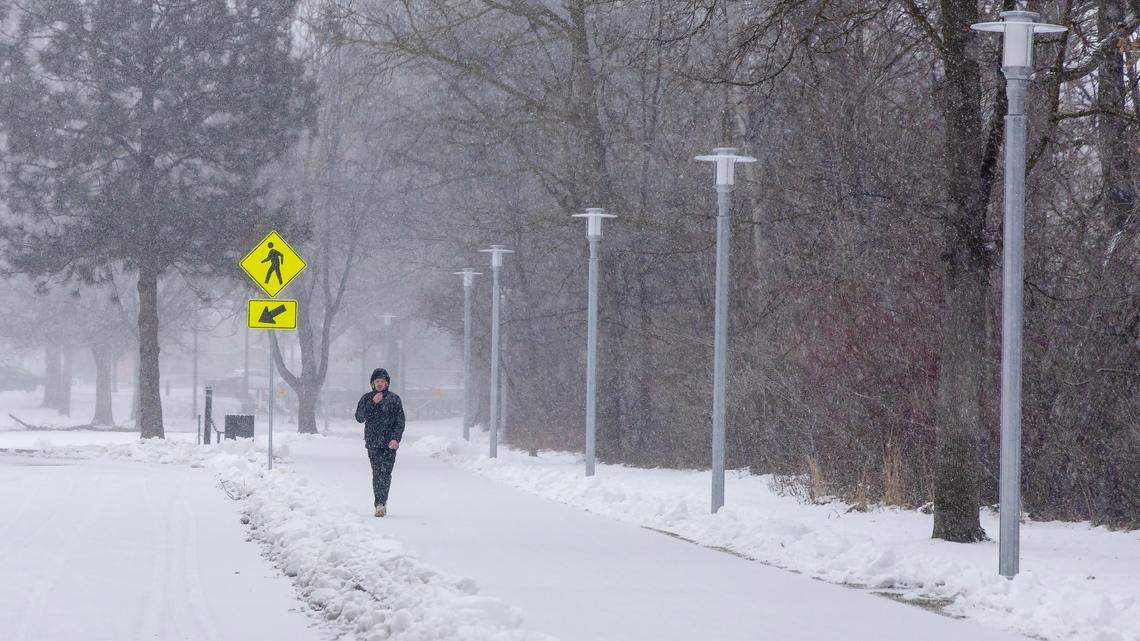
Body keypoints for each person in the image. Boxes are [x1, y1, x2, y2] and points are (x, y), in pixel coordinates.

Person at [355, 368, 405, 517]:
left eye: (382, 381)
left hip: (390, 443)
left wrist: (396, 439)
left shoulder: (394, 399)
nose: (379, 384)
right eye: (377, 381)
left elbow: (400, 422)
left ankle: (382, 502)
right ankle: (379, 504)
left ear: (387, 383)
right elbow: (359, 417)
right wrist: (372, 402)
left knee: (386, 473)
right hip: (373, 442)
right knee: (377, 473)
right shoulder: (366, 398)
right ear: (372, 383)